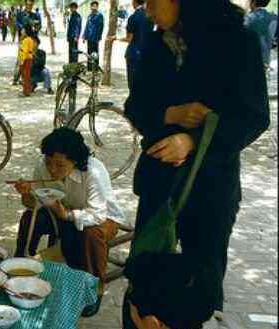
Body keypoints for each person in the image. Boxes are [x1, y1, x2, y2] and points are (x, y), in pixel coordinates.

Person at [122, 0, 270, 327]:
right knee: (143, 281)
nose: (147, 10)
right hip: (160, 182)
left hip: (211, 188)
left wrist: (192, 140)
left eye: (153, 1)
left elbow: (254, 116)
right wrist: (168, 114)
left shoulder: (237, 42)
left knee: (197, 291)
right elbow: (135, 104)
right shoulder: (155, 39)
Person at [13, 127, 128, 316]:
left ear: (74, 160)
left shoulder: (93, 172)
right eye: (49, 163)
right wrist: (26, 194)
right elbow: (34, 204)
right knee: (29, 219)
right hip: (62, 212)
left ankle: (94, 290)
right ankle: (22, 264)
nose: (52, 170)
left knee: (91, 234)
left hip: (102, 217)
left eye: (59, 165)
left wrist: (66, 215)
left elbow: (97, 215)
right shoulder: (43, 166)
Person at [108, 0, 154, 90]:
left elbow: (129, 38)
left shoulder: (133, 17)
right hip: (147, 53)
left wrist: (116, 38)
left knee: (133, 84)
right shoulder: (151, 17)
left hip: (134, 55)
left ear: (134, 2)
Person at [245, 0, 278, 69]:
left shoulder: (247, 20)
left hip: (249, 64)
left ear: (253, 2)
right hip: (266, 62)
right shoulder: (274, 18)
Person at [19, 26, 39, 96]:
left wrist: (22, 61)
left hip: (26, 59)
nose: (22, 31)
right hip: (29, 58)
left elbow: (25, 51)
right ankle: (27, 90)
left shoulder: (26, 40)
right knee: (27, 76)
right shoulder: (30, 39)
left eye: (23, 30)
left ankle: (26, 92)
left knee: (25, 76)